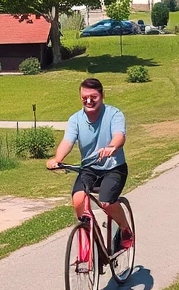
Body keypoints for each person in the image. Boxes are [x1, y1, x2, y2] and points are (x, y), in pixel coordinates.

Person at [46, 78, 133, 250]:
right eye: (84, 97)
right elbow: (67, 141)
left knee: (106, 202)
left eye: (93, 97)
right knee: (78, 200)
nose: (89, 101)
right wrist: (57, 159)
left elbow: (119, 136)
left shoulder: (114, 114)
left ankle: (125, 229)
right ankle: (89, 236)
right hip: (89, 169)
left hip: (113, 168)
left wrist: (111, 147)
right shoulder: (75, 119)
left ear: (102, 95)